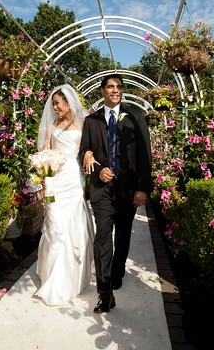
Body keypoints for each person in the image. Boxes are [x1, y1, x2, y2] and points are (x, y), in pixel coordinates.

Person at [79, 73, 152, 313]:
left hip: (128, 190)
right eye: (110, 87)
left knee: (122, 236)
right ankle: (104, 290)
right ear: (102, 91)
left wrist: (142, 188)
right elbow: (84, 153)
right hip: (101, 191)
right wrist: (97, 170)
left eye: (118, 87)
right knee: (102, 238)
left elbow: (144, 155)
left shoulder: (136, 116)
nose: (115, 90)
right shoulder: (91, 121)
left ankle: (117, 271)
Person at [34, 84, 95, 306]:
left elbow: (90, 146)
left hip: (74, 179)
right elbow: (45, 150)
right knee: (54, 221)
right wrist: (44, 171)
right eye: (53, 105)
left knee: (74, 223)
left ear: (69, 102)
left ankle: (73, 275)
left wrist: (88, 153)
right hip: (55, 181)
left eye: (58, 103)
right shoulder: (52, 125)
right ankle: (52, 273)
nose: (55, 108)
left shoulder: (83, 122)